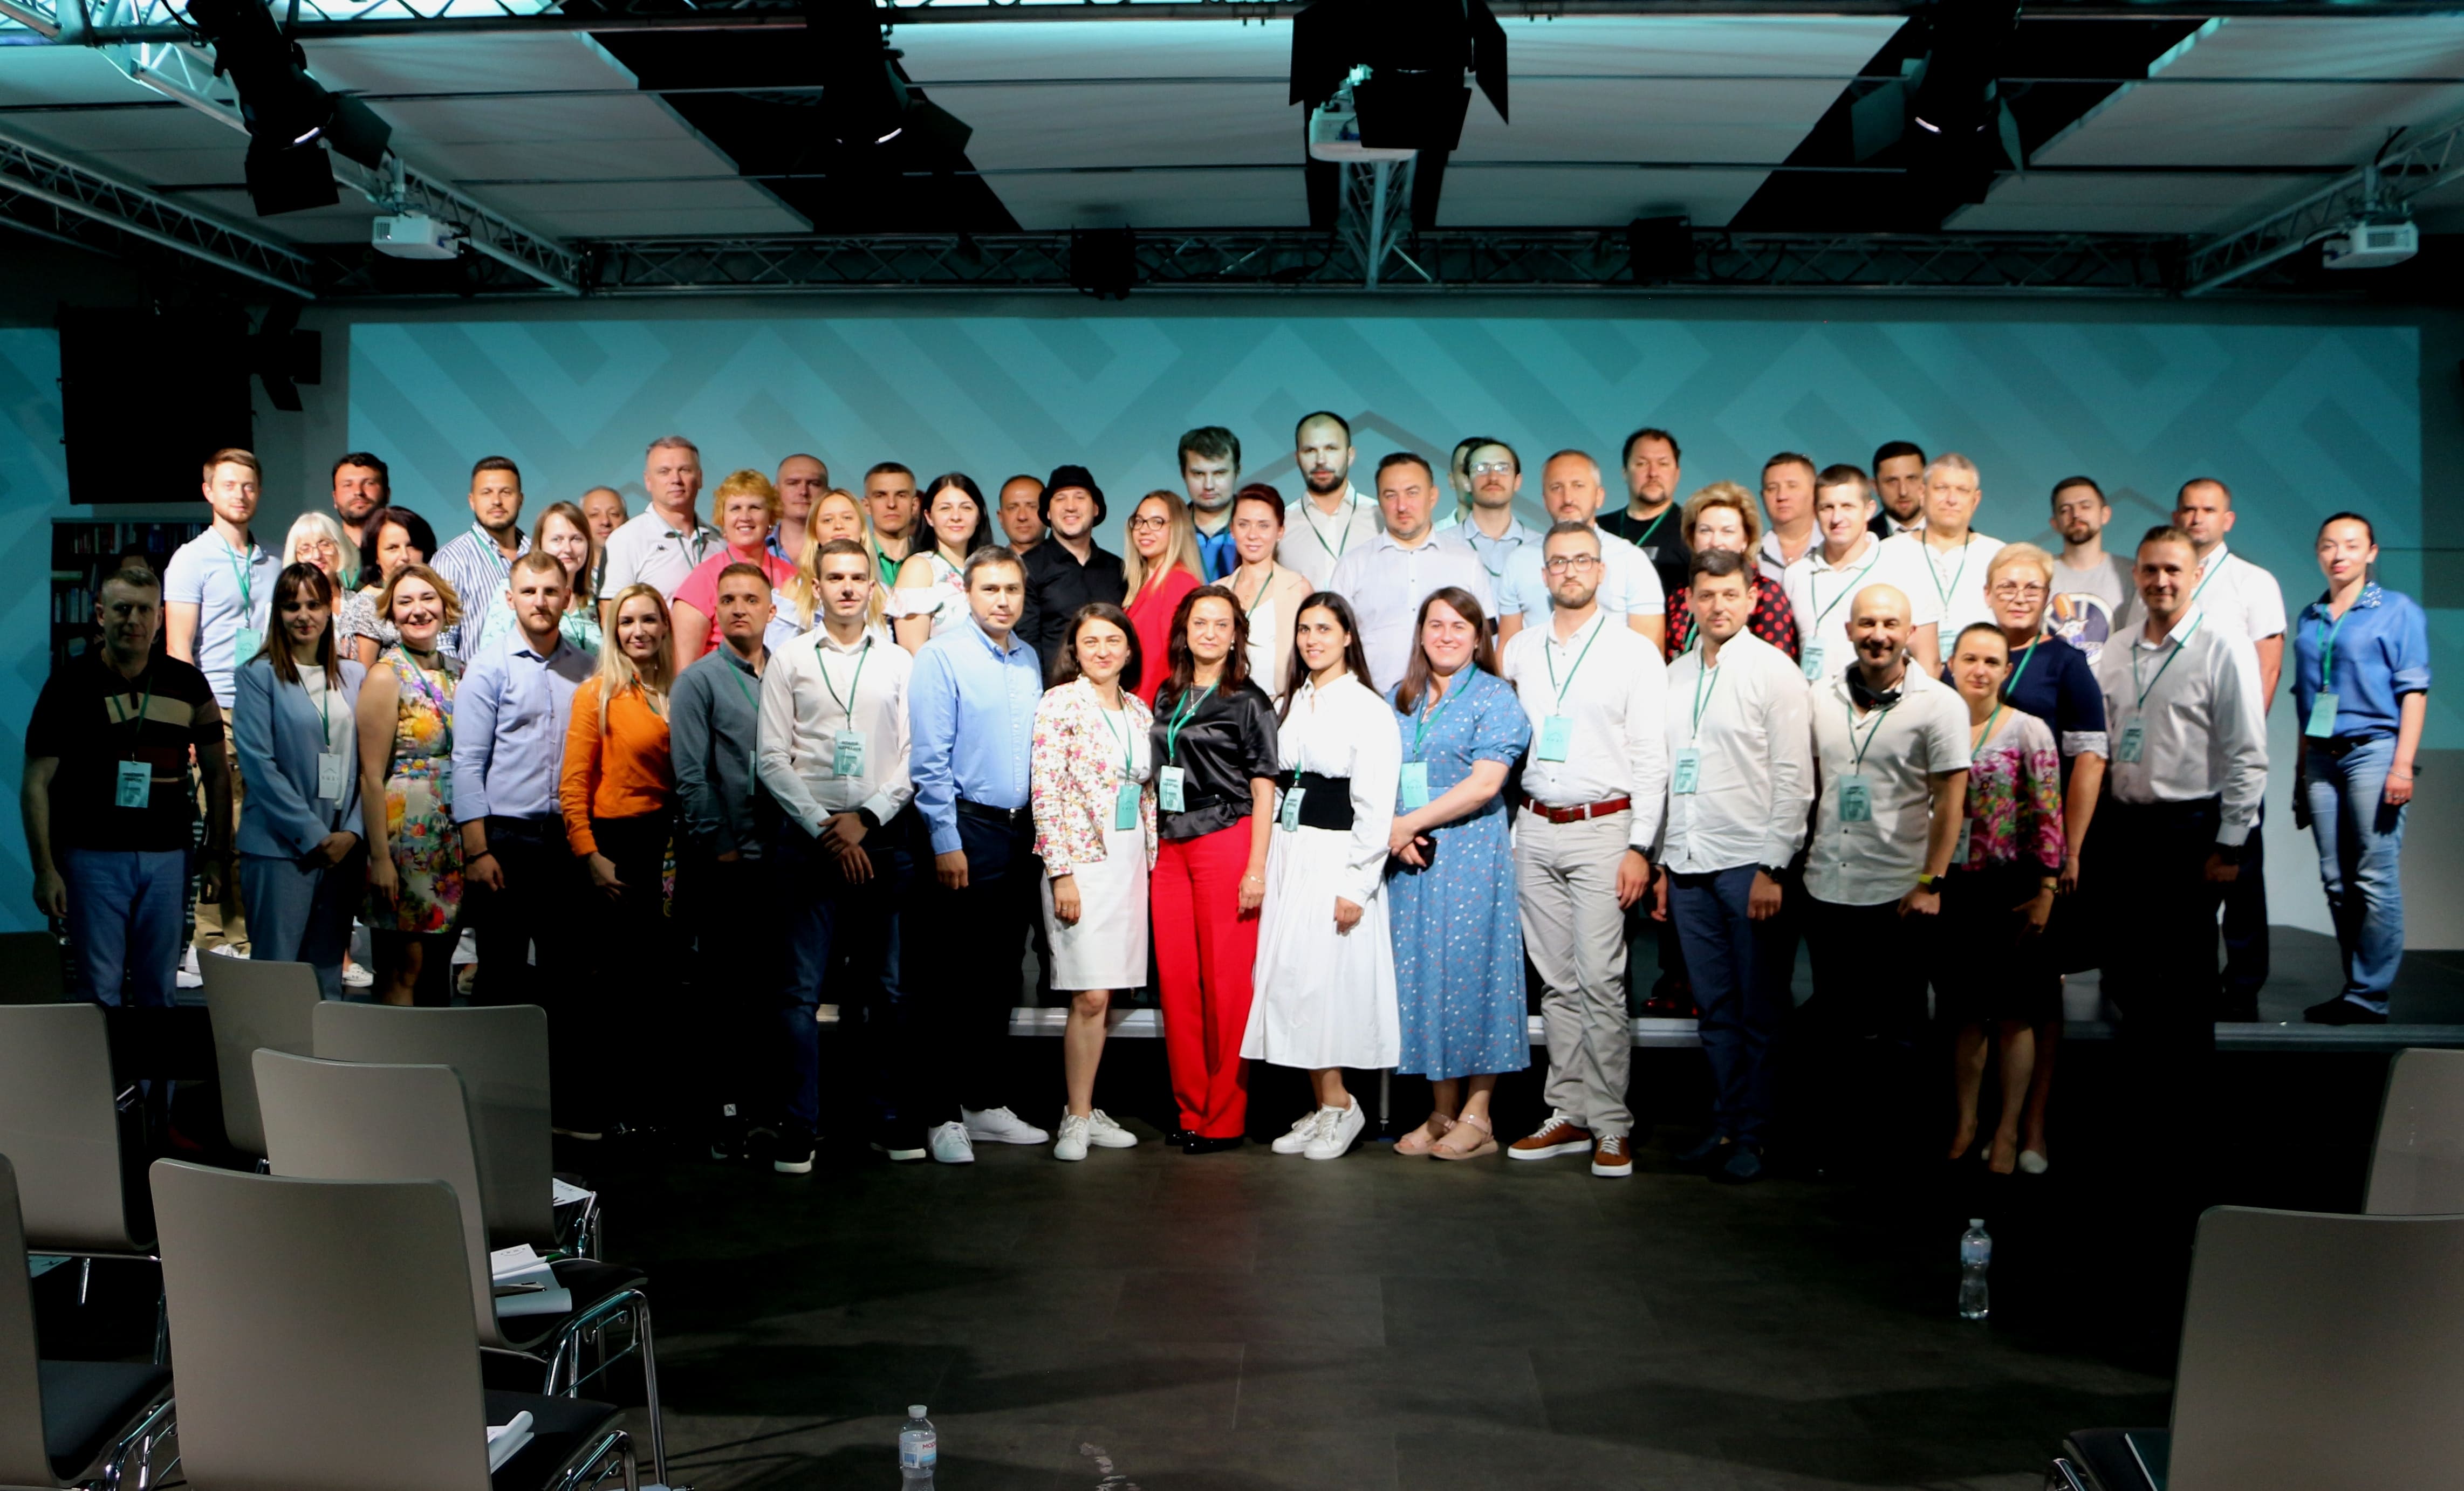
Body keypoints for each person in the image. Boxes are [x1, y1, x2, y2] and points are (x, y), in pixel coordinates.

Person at [2089, 526, 2265, 1185]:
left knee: (2188, 986)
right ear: (2135, 575)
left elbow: (2247, 752)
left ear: (2193, 575)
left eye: (2172, 570)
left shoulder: (2221, 644)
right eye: (2149, 570)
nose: (2159, 581)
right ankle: (2140, 1126)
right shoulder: (2116, 647)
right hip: (2124, 830)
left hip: (2191, 831)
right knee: (2130, 979)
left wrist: (2230, 843)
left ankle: (2190, 1141)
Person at [1500, 523, 1669, 1179]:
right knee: (1556, 982)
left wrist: (1640, 846)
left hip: (1605, 827)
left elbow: (1651, 756)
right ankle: (1567, 1110)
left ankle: (1611, 1122)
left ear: (1600, 571)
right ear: (1543, 575)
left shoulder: (1632, 652)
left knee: (1599, 978)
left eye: (1580, 560)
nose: (1568, 570)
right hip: (1534, 825)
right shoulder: (1520, 649)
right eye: (1557, 562)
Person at [759, 539, 921, 1171]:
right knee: (798, 992)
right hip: (808, 841)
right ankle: (800, 1125)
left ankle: (884, 1117)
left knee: (886, 989)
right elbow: (771, 757)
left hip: (882, 836)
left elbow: (913, 756)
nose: (848, 587)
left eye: (858, 577)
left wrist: (867, 818)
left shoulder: (899, 662)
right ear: (816, 586)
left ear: (872, 588)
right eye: (835, 577)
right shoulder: (791, 657)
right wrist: (827, 829)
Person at [1654, 549, 1811, 1184]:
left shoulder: (1775, 671)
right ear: (1689, 602)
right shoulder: (1674, 675)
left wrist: (1773, 866)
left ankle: (1757, 1134)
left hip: (1749, 864)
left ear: (1750, 599)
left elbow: (1794, 777)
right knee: (1714, 1009)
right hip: (1687, 863)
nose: (1716, 605)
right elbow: (1665, 775)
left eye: (1728, 594)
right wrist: (1661, 861)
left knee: (1759, 1011)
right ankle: (1723, 1123)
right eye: (1705, 595)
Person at [1800, 582, 1969, 1169]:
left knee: (1901, 1029)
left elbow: (1951, 801)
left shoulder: (1939, 704)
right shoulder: (1818, 696)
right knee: (1836, 1026)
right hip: (1827, 885)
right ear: (1849, 630)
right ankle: (1838, 1144)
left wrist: (1931, 882)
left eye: (1891, 624)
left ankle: (1900, 1150)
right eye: (1867, 623)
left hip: (1898, 891)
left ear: (1909, 633)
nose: (1878, 635)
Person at [23, 567, 228, 1007]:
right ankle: (103, 1059)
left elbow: (217, 774)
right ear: (101, 614)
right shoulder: (68, 684)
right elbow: (36, 783)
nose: (133, 619)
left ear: (159, 618)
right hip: (92, 856)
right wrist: (44, 869)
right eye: (122, 609)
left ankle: (154, 1061)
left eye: (144, 610)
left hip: (169, 856)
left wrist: (217, 854)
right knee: (99, 990)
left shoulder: (189, 683)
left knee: (160, 989)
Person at [1246, 592, 1400, 1162]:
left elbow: (1375, 806)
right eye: (1304, 629)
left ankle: (1342, 1104)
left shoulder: (1367, 708)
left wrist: (1356, 884)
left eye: (1324, 629)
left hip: (1336, 856)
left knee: (1326, 984)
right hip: (1292, 852)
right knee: (1294, 981)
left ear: (1348, 636)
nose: (1313, 640)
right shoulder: (1290, 701)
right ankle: (1323, 1104)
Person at [909, 546, 1051, 1162]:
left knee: (1000, 974)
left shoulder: (1028, 659)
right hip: (967, 829)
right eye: (990, 588)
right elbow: (928, 761)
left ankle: (984, 1101)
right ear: (966, 593)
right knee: (952, 978)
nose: (1002, 599)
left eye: (1012, 589)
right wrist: (946, 840)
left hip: (1020, 834)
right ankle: (940, 1113)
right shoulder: (941, 656)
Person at [1383, 587, 1530, 1162]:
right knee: (1425, 977)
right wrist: (1396, 834)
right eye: (1435, 624)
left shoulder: (1495, 696)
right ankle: (1441, 1110)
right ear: (1420, 633)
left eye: (1458, 626)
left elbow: (1484, 783)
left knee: (1476, 975)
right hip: (1413, 857)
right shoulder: (1399, 698)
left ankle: (1479, 1112)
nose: (1445, 635)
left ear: (1477, 637)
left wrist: (1407, 823)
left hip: (1469, 855)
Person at [1977, 542, 2108, 1176]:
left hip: (2043, 854)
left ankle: (2031, 1124)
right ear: (1986, 592)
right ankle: (1981, 1121)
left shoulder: (2065, 661)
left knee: (2039, 992)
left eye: (2031, 587)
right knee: (1983, 992)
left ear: (2048, 597)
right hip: (1979, 858)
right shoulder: (1972, 654)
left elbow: (2090, 758)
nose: (2018, 596)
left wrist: (2070, 849)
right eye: (2007, 585)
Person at [451, 551, 596, 1124]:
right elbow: (467, 763)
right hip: (505, 842)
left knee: (567, 977)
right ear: (510, 598)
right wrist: (478, 848)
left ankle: (558, 1107)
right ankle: (493, 1105)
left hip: (566, 842)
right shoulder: (488, 667)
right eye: (529, 591)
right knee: (501, 975)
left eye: (551, 591)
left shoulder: (587, 668)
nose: (540, 600)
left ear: (568, 598)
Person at [1149, 586, 1279, 1153]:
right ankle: (1190, 1108)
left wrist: (1256, 866)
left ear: (1235, 635)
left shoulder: (1249, 700)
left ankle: (1223, 1117)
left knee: (1226, 986)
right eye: (1199, 621)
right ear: (1185, 630)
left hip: (1226, 838)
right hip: (1170, 846)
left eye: (1220, 623)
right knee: (1178, 985)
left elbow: (1264, 786)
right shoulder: (1167, 694)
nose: (1209, 632)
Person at [1935, 623, 2064, 1174]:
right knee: (1965, 1014)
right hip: (1954, 889)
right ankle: (1966, 1123)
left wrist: (2046, 890)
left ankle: (2007, 1129)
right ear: (1951, 663)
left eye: (1991, 661)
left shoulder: (2028, 729)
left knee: (2014, 1015)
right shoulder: (1936, 725)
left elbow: (2049, 813)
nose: (1980, 670)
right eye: (1970, 658)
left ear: (2006, 671)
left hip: (2012, 889)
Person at [2292, 513, 2431, 1026]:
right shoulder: (2311, 615)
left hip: (2374, 751)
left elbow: (2413, 691)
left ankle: (2370, 995)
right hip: (2320, 758)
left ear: (2371, 552)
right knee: (2336, 879)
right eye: (2329, 545)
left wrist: (2402, 766)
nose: (2339, 554)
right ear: (2318, 552)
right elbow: (2306, 701)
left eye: (2352, 545)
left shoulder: (2397, 610)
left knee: (2374, 876)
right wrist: (2300, 773)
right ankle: (2354, 988)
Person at [1030, 604, 1156, 1160]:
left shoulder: (1139, 709)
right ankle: (1076, 1117)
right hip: (1081, 861)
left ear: (1129, 650)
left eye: (1112, 640)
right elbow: (1045, 790)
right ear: (1075, 651)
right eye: (1091, 641)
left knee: (1109, 994)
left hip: (1129, 860)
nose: (1103, 650)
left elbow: (1148, 791)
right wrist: (1061, 873)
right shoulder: (1060, 702)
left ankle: (1087, 1107)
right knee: (1089, 993)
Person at [559, 582, 679, 1135]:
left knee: (655, 983)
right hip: (614, 848)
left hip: (666, 846)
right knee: (611, 987)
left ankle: (648, 1107)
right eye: (627, 621)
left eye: (648, 619)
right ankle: (600, 1109)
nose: (638, 631)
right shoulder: (597, 694)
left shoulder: (678, 691)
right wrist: (590, 855)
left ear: (665, 626)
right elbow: (573, 784)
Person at [672, 562, 778, 1156]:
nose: (740, 607)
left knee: (770, 995)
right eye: (729, 599)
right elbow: (691, 775)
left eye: (751, 598)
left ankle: (767, 1110)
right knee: (723, 996)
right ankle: (725, 1115)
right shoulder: (699, 681)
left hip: (781, 860)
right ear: (715, 610)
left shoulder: (786, 673)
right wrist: (722, 847)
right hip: (726, 864)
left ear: (771, 609)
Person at [2172, 477, 2286, 1021]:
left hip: (2231, 757)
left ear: (2228, 519)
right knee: (2182, 886)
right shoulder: (2167, 579)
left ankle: (2242, 985)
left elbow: (2269, 666)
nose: (2197, 518)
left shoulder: (2251, 581)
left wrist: (2242, 738)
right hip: (2178, 761)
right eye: (2188, 509)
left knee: (2240, 879)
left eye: (2208, 509)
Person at [165, 448, 282, 954]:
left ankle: (246, 934)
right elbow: (177, 648)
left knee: (257, 827)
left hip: (268, 709)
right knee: (222, 823)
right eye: (230, 484)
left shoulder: (274, 559)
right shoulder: (191, 558)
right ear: (208, 491)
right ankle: (213, 939)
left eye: (249, 485)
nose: (241, 494)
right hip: (216, 706)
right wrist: (191, 721)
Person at [234, 564, 366, 1000]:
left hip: (341, 849)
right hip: (280, 848)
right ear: (278, 612)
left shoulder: (355, 676)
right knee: (276, 983)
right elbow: (259, 766)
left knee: (327, 979)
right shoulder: (257, 675)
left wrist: (352, 832)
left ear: (330, 610)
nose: (304, 615)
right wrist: (313, 835)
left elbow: (371, 766)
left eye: (314, 604)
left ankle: (323, 1050)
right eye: (292, 606)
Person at [353, 564, 465, 1008]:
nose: (418, 610)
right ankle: (395, 1052)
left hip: (450, 837)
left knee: (439, 962)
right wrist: (380, 858)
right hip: (405, 841)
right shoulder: (386, 675)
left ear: (445, 605)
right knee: (406, 966)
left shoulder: (459, 672)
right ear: (392, 613)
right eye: (405, 601)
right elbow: (370, 776)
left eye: (427, 598)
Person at [1329, 452, 1495, 688]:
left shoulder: (1466, 561)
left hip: (1454, 702)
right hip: (1374, 700)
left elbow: (1487, 639)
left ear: (1433, 496)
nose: (1402, 506)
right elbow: (1332, 641)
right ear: (1379, 501)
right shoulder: (1353, 565)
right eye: (1391, 495)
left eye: (1412, 493)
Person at [1782, 464, 1943, 682]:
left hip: (1884, 701)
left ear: (1869, 510)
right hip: (1813, 701)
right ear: (1815, 511)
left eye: (1847, 507)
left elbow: (1928, 660)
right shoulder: (1796, 574)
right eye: (1827, 508)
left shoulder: (1905, 571)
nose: (1837, 518)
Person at [1494, 450, 1665, 650]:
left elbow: (1649, 652)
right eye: (1556, 488)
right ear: (1544, 500)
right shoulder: (1519, 560)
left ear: (1599, 496)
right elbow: (1507, 649)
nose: (1568, 498)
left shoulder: (1631, 560)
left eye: (1578, 486)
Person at [1661, 482, 1799, 661]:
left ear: (1746, 539)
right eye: (1705, 531)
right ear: (1693, 538)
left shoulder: (1766, 594)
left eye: (1727, 531)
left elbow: (1777, 667)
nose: (1716, 542)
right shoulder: (1681, 594)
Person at [1879, 453, 2003, 642]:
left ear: (1976, 500)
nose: (1951, 499)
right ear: (1922, 493)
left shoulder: (1998, 556)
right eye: (1942, 488)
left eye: (1962, 490)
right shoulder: (1887, 553)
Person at [673, 470, 796, 661]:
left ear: (771, 517)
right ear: (723, 519)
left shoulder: (793, 577)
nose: (745, 516)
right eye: (735, 508)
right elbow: (685, 668)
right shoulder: (703, 579)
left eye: (755, 507)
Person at [1020, 465, 1128, 679]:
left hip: (1112, 690)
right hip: (1052, 692)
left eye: (1080, 497)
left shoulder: (1118, 568)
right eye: (1060, 499)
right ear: (1048, 512)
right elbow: (1025, 643)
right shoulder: (1027, 567)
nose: (1070, 507)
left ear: (1095, 508)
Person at [601, 436, 721, 628]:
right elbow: (611, 617)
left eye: (685, 470)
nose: (676, 480)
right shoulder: (625, 540)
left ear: (700, 478)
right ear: (648, 481)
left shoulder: (720, 543)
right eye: (664, 472)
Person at [429, 456, 530, 663]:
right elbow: (441, 638)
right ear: (472, 501)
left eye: (506, 492)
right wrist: (462, 681)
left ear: (520, 500)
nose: (497, 501)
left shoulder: (539, 554)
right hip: (479, 680)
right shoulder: (452, 559)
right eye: (487, 493)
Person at [1221, 484, 1312, 698]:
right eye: (1244, 525)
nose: (1253, 535)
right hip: (1225, 705)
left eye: (1264, 526)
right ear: (1232, 530)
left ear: (1280, 531)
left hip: (1280, 706)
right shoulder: (1216, 592)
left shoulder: (1298, 588)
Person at [1277, 411, 1381, 591]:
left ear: (1350, 455)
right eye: (1310, 451)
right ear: (1297, 458)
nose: (1320, 460)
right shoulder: (1280, 525)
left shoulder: (1381, 518)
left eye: (1331, 449)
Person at [1121, 491, 1207, 707]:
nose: (1144, 529)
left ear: (1177, 529)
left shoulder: (1179, 583)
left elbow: (1166, 661)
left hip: (1156, 708)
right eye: (1139, 521)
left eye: (1157, 522)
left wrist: (1145, 711)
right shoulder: (1138, 585)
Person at [893, 473, 995, 651]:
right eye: (945, 508)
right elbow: (914, 653)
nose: (956, 516)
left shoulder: (991, 568)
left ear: (979, 516)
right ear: (929, 517)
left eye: (966, 508)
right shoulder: (920, 567)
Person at [775, 490, 888, 649]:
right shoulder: (795, 591)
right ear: (815, 533)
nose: (839, 526)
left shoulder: (884, 596)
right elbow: (779, 653)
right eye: (828, 520)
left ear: (862, 529)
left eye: (847, 518)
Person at [2047, 476, 2135, 663]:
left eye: (2085, 506)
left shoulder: (2132, 575)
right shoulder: (2039, 573)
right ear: (2054, 523)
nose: (2076, 515)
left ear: (2105, 515)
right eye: (2065, 510)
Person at [1600, 427, 1689, 598]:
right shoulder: (1597, 529)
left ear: (1677, 473)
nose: (1653, 473)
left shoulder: (1695, 530)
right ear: (1625, 472)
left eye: (1663, 464)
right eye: (1642, 464)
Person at [288, 511, 382, 663]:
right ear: (296, 557)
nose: (317, 555)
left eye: (325, 544)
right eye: (306, 549)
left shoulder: (361, 603)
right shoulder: (284, 608)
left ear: (339, 548)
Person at [348, 505, 439, 664]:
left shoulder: (440, 593)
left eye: (411, 545)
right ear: (375, 555)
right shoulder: (366, 605)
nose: (404, 556)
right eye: (392, 548)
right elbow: (364, 672)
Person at [1457, 438, 1541, 593]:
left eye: (1503, 468)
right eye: (1481, 468)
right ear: (1467, 482)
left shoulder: (1541, 547)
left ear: (1517, 481)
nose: (1493, 478)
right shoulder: (1443, 544)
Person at [532, 501, 605, 654]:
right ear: (540, 544)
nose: (568, 549)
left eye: (576, 539)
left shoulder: (600, 597)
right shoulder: (518, 591)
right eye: (557, 540)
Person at [1180, 427, 1243, 581]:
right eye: (1198, 474)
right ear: (1183, 473)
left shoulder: (1261, 529)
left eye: (1219, 473)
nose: (1209, 485)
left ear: (1237, 471)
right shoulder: (1170, 530)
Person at [1757, 452, 1820, 580]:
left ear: (1815, 492)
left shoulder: (1837, 549)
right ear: (1763, 496)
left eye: (1792, 486)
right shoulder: (1750, 556)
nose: (1782, 496)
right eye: (1772, 488)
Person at [864, 462, 923, 585]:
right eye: (880, 496)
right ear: (867, 506)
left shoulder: (933, 561)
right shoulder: (851, 558)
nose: (891, 504)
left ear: (914, 506)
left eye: (901, 495)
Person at [330, 452, 390, 568]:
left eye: (369, 483)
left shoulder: (406, 551)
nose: (358, 492)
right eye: (348, 485)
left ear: (387, 494)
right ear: (335, 498)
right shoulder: (323, 555)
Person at [774, 454, 828, 566]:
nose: (803, 492)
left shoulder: (843, 549)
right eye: (793, 483)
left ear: (827, 493)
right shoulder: (755, 548)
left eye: (814, 484)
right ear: (775, 492)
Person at [1868, 440, 1927, 540]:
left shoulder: (1953, 531)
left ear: (1927, 481)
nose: (1903, 492)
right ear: (1876, 487)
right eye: (1892, 481)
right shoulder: (1863, 538)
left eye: (1912, 479)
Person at [581, 486, 627, 594]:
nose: (605, 521)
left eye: (614, 514)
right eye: (594, 515)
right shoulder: (572, 575)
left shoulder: (641, 570)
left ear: (626, 520)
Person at [997, 474, 1046, 554]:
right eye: (1012, 508)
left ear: (1048, 513)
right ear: (1001, 518)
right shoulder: (987, 562)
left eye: (1032, 507)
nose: (1022, 517)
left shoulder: (1066, 561)